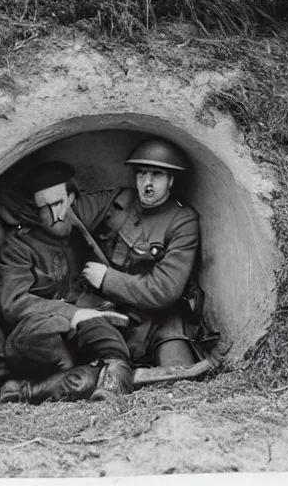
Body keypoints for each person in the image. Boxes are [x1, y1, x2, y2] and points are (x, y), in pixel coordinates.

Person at [0, 161, 136, 403]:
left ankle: (105, 381)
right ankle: (92, 377)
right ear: (35, 211)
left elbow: (120, 197)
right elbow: (13, 303)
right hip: (35, 335)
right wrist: (73, 313)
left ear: (70, 198)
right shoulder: (18, 247)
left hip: (75, 331)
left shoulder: (76, 230)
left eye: (58, 203)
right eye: (45, 208)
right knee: (82, 325)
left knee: (97, 328)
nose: (55, 215)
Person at [81, 139, 200, 367]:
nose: (147, 183)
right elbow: (72, 213)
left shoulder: (182, 222)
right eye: (141, 173)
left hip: (157, 319)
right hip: (106, 308)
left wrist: (107, 279)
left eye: (156, 175)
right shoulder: (117, 202)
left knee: (178, 371)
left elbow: (164, 290)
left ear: (171, 180)